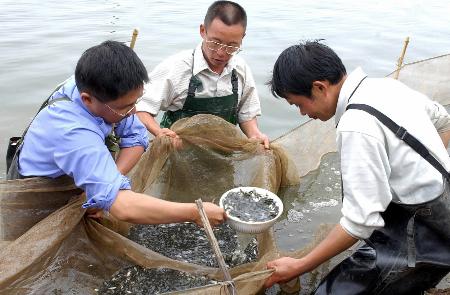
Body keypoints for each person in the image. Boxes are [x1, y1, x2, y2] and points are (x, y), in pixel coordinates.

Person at [264, 41, 450, 294]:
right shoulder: (385, 86)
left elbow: (359, 223)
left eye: (299, 104)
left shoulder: (356, 124)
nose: (302, 113)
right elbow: (443, 121)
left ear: (319, 87)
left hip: (426, 233)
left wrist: (299, 265)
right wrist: (411, 167)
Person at [8, 40, 225, 228]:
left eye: (135, 103)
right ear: (87, 99)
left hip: (73, 172)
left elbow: (136, 139)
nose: (132, 113)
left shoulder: (99, 87)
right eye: (124, 108)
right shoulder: (73, 134)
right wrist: (196, 212)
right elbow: (123, 208)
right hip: (37, 194)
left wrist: (109, 183)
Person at [135, 0, 269, 149]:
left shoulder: (241, 70)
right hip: (178, 155)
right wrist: (159, 132)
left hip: (224, 155)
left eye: (232, 46)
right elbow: (141, 109)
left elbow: (247, 115)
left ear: (242, 38)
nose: (221, 53)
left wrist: (255, 135)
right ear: (202, 31)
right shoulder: (177, 68)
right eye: (215, 43)